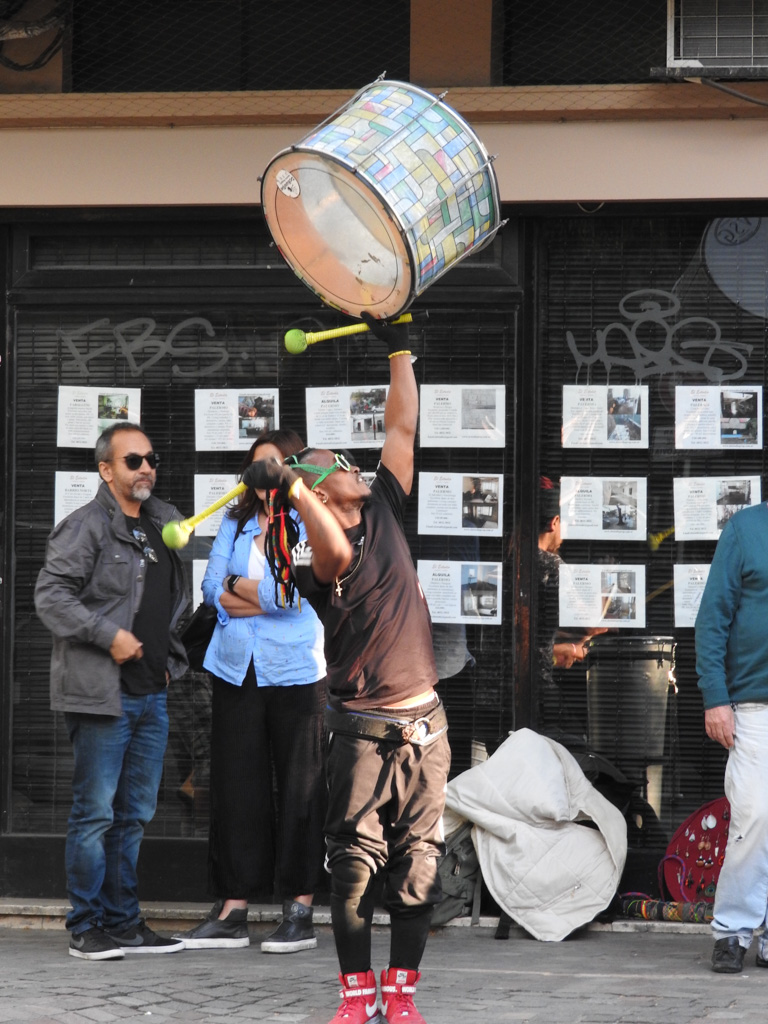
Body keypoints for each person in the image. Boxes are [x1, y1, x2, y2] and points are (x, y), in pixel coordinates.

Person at [242, 314, 450, 1024]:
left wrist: (398, 348)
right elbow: (328, 541)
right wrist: (292, 486)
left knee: (419, 866)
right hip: (361, 732)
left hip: (426, 725)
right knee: (357, 868)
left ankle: (403, 996)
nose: (356, 466)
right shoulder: (313, 557)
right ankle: (357, 998)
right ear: (321, 492)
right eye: (338, 464)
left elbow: (401, 429)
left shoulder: (385, 503)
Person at [34, 423, 188, 961]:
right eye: (133, 461)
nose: (146, 467)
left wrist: (169, 660)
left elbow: (173, 601)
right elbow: (50, 597)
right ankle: (85, 924)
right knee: (95, 814)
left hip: (151, 694)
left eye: (152, 458)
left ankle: (124, 922)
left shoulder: (164, 521)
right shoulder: (85, 527)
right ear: (105, 470)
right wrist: (109, 635)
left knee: (135, 814)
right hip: (102, 695)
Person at [173, 429, 327, 954]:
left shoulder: (309, 521)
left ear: (293, 471)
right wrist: (247, 592)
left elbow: (295, 594)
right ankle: (233, 910)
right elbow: (210, 588)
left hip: (297, 673)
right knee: (238, 788)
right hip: (235, 667)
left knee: (300, 788)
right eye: (257, 468)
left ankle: (299, 909)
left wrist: (242, 590)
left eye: (276, 467)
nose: (265, 479)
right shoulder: (235, 520)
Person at [695, 501, 768, 974]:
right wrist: (715, 697)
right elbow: (712, 618)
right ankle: (734, 930)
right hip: (754, 706)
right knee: (754, 816)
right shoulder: (745, 528)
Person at [537, 476, 606, 745]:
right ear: (554, 522)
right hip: (535, 688)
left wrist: (560, 648)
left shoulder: (508, 558)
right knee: (579, 742)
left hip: (488, 696)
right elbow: (592, 624)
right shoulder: (550, 565)